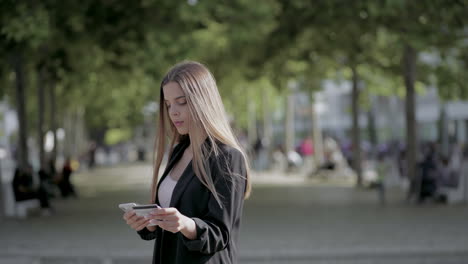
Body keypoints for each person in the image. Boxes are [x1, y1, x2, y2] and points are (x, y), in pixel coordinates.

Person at [122, 61, 251, 264]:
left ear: (203, 101)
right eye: (168, 104)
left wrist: (185, 224)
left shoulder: (228, 157)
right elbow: (169, 215)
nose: (173, 112)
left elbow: (221, 234)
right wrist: (149, 223)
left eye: (181, 102)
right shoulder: (178, 151)